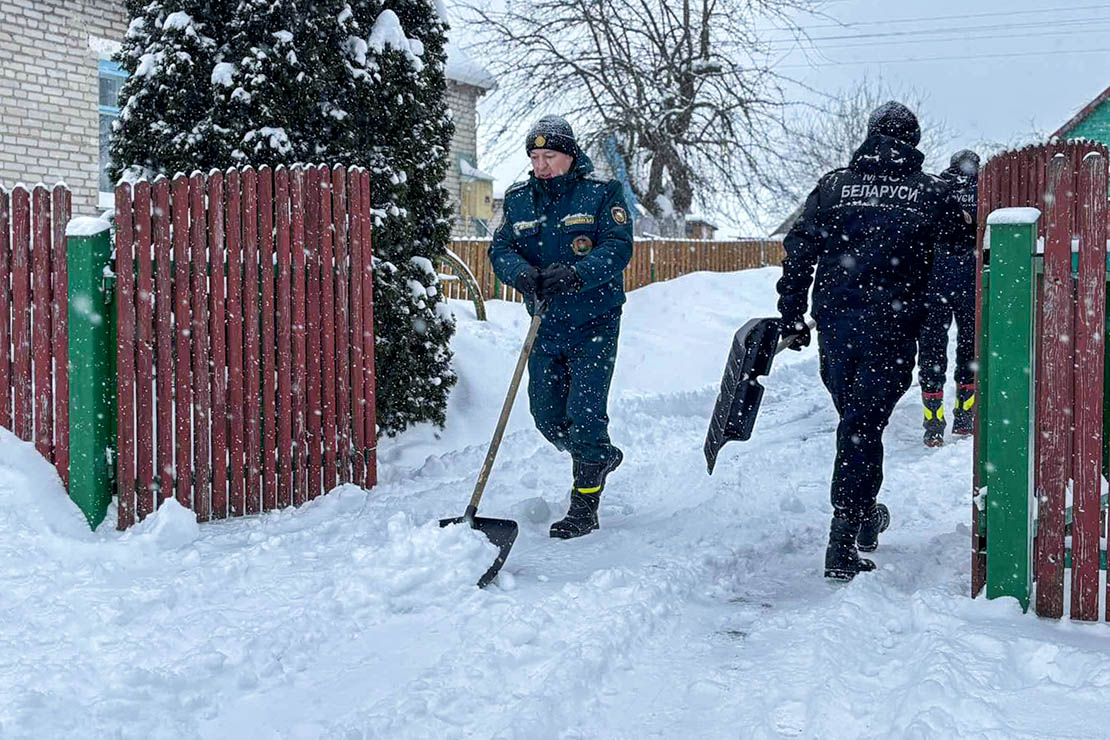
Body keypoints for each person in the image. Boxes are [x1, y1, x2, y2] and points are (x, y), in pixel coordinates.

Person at [776, 102, 965, 580]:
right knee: (863, 426)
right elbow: (963, 246)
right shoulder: (929, 192)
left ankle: (863, 514)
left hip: (837, 326)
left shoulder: (834, 186)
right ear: (913, 141)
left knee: (856, 422)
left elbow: (800, 249)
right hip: (892, 328)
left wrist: (791, 311)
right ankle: (842, 540)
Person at [488, 115, 633, 539]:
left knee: (584, 414)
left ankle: (584, 505)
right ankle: (597, 457)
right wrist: (520, 274)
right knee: (547, 416)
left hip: (594, 320)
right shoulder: (519, 200)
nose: (541, 166)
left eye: (549, 156)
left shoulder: (602, 193)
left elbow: (618, 247)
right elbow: (501, 249)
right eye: (535, 158)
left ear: (569, 154)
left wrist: (576, 274)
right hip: (545, 323)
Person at [918, 150, 980, 447]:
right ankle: (964, 417)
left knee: (932, 350)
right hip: (970, 279)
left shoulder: (936, 189)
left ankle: (933, 422)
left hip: (936, 280)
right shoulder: (985, 189)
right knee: (969, 348)